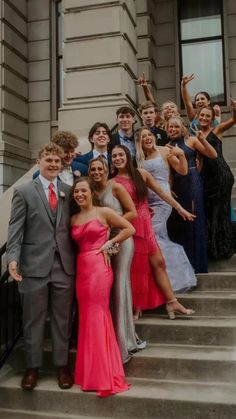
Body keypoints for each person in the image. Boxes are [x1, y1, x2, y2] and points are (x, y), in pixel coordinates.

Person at [6, 143, 75, 390]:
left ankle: (62, 367)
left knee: (62, 320)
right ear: (39, 162)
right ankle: (32, 368)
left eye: (57, 161)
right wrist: (12, 259)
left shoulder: (70, 191)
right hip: (33, 266)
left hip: (64, 267)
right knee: (32, 321)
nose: (54, 164)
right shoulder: (24, 192)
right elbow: (15, 230)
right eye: (49, 160)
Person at [111, 145, 195, 320]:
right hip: (131, 226)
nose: (117, 158)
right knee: (137, 267)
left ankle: (172, 301)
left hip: (146, 225)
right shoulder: (113, 182)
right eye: (114, 156)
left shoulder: (141, 174)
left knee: (159, 263)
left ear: (127, 155)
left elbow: (162, 193)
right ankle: (136, 306)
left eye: (120, 154)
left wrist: (180, 209)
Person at [70, 177, 134, 397]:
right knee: (87, 318)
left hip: (99, 267)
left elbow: (129, 228)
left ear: (91, 192)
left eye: (83, 191)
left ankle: (103, 374)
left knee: (98, 316)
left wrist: (110, 244)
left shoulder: (104, 212)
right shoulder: (73, 218)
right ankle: (89, 373)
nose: (79, 194)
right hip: (81, 269)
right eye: (76, 192)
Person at [88, 156, 146, 364]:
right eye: (93, 169)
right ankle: (110, 336)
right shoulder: (91, 191)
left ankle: (125, 342)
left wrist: (114, 224)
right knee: (107, 289)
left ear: (107, 169)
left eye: (100, 169)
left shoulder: (116, 187)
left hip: (121, 240)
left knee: (120, 285)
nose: (96, 173)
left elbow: (132, 212)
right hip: (101, 243)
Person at [135, 126, 197, 292]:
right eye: (143, 136)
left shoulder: (164, 151)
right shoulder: (139, 158)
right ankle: (160, 281)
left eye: (149, 135)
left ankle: (177, 279)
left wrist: (182, 155)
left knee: (153, 237)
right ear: (138, 141)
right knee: (159, 237)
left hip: (163, 201)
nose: (147, 138)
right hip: (148, 204)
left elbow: (182, 171)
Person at [166, 116, 217, 273]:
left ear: (182, 127)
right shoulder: (166, 147)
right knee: (182, 222)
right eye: (170, 127)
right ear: (166, 129)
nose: (173, 130)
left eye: (176, 127)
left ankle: (197, 265)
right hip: (178, 184)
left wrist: (203, 140)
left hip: (193, 182)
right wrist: (169, 187)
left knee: (195, 219)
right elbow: (168, 171)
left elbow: (213, 155)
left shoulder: (192, 141)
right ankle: (184, 266)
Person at [197, 102, 236, 259]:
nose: (204, 118)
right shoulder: (196, 135)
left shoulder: (217, 130)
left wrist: (234, 109)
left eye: (208, 116)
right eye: (202, 115)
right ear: (198, 117)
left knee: (220, 211)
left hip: (221, 175)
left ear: (212, 119)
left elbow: (234, 120)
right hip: (208, 177)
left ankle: (222, 248)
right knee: (211, 211)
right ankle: (214, 248)